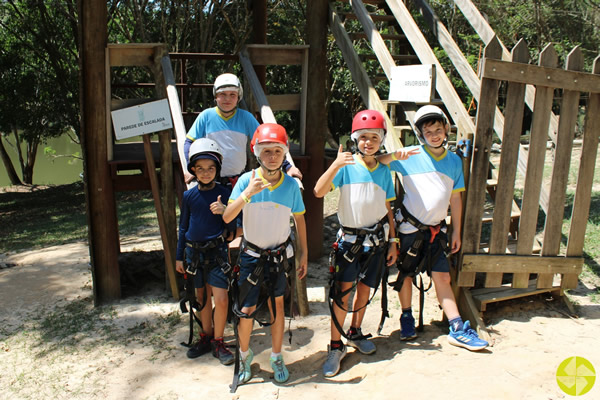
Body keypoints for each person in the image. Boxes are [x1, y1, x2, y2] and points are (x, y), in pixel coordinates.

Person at [314, 109, 416, 378]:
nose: (368, 142)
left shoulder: (383, 171)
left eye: (374, 137)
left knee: (364, 290)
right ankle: (335, 345)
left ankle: (355, 331)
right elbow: (318, 191)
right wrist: (335, 164)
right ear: (355, 139)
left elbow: (387, 208)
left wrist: (393, 241)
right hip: (350, 242)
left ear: (381, 140)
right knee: (342, 294)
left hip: (376, 243)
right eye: (363, 137)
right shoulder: (346, 167)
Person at [380, 104, 488, 351]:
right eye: (428, 132)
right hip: (409, 228)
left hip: (437, 231)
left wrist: (456, 231)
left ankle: (457, 327)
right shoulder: (409, 155)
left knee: (443, 276)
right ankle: (406, 316)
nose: (434, 135)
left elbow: (455, 199)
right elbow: (377, 162)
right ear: (420, 135)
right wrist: (395, 155)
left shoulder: (453, 162)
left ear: (446, 129)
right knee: (405, 273)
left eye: (438, 129)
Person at [223, 123, 308, 385]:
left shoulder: (291, 186)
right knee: (246, 309)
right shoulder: (246, 181)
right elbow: (227, 216)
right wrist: (247, 194)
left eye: (277, 151)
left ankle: (276, 355)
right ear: (257, 153)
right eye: (266, 151)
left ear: (284, 154)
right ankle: (245, 354)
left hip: (278, 256)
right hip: (251, 255)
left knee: (277, 306)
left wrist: (303, 253)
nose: (272, 156)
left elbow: (300, 220)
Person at [175, 138, 236, 365]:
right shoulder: (189, 196)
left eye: (210, 168)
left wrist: (224, 211)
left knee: (220, 299)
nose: (206, 172)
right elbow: (183, 227)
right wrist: (179, 255)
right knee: (200, 298)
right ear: (193, 170)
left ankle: (219, 340)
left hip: (217, 252)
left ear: (217, 169)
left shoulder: (225, 192)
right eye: (200, 169)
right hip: (194, 254)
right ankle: (206, 336)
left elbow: (232, 227)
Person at [184, 73, 301, 186]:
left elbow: (268, 143)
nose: (227, 99)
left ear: (238, 97)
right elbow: (189, 142)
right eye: (223, 94)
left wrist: (287, 166)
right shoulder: (206, 116)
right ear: (215, 96)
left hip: (237, 180)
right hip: (211, 181)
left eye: (232, 95)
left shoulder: (246, 117)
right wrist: (191, 167)